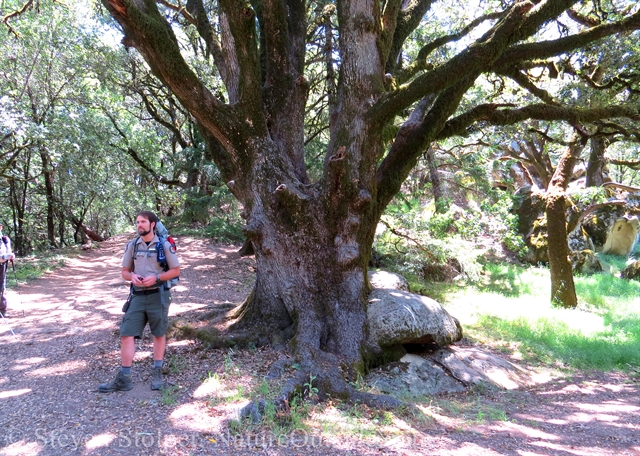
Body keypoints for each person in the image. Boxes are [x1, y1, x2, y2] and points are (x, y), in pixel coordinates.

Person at [98, 211, 180, 392]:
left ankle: (157, 372)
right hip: (136, 296)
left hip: (158, 295)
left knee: (158, 333)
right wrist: (132, 276)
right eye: (137, 222)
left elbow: (175, 271)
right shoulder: (132, 246)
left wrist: (157, 277)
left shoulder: (164, 245)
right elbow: (124, 271)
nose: (139, 225)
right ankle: (124, 378)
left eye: (143, 222)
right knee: (126, 333)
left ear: (152, 224)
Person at [0, 223, 16, 317]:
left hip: (2, 265)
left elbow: (8, 251)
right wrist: (3, 257)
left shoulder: (5, 239)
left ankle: (2, 310)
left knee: (2, 287)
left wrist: (10, 255)